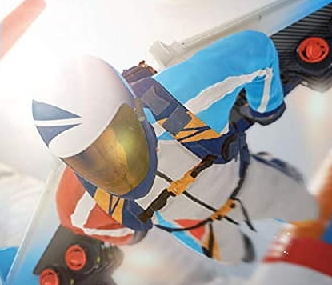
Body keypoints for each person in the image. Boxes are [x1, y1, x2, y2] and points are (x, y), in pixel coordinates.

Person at [31, 30, 317, 263]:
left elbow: (254, 48)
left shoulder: (178, 98)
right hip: (193, 221)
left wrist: (130, 234)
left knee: (309, 211)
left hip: (236, 186)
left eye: (117, 141)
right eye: (88, 160)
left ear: (135, 110)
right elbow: (253, 49)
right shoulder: (78, 201)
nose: (116, 167)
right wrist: (265, 108)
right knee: (236, 255)